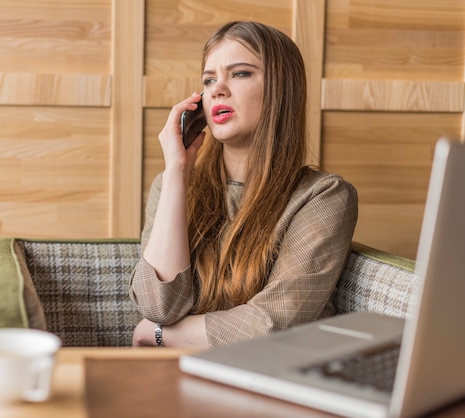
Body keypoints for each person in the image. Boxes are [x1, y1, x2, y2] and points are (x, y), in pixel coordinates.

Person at [129, 21, 358, 349]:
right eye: (209, 79)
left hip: (269, 382)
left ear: (281, 89)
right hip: (172, 378)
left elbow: (273, 325)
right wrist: (177, 172)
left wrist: (161, 334)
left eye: (240, 74)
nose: (217, 89)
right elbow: (159, 306)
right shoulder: (171, 186)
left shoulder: (324, 196)